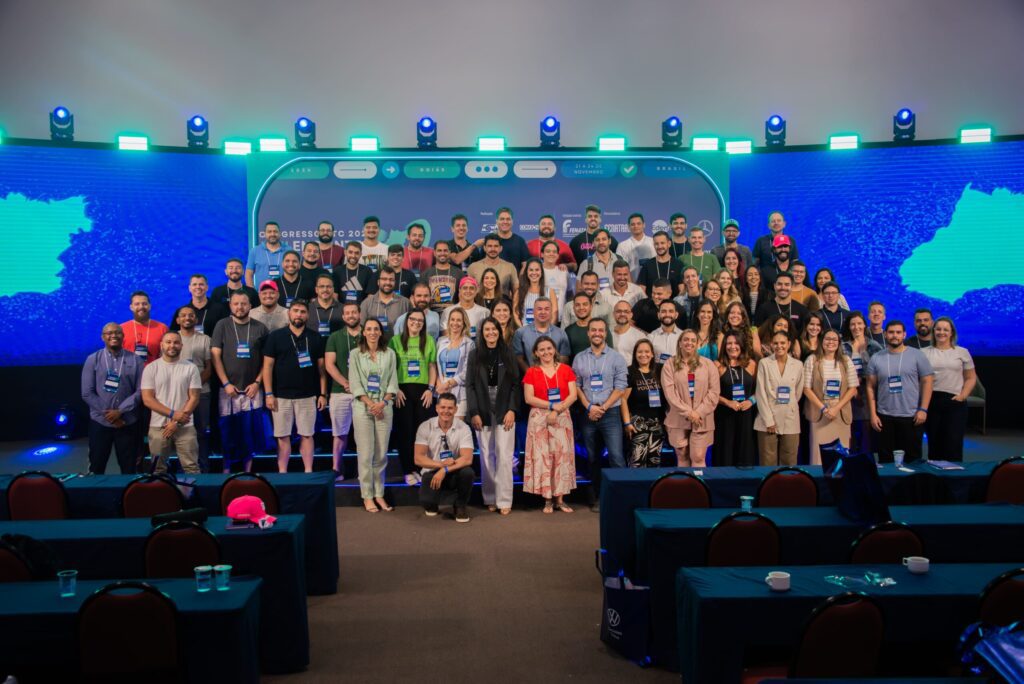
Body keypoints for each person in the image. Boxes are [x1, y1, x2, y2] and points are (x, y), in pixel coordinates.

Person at [262, 299, 327, 473]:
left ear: (308, 315)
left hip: (307, 395)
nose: (299, 314)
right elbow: (267, 367)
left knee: (307, 434)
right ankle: (282, 472)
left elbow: (321, 369)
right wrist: (269, 394)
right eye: (296, 311)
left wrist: (322, 394)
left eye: (302, 312)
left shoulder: (315, 337)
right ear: (289, 313)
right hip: (280, 396)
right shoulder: (275, 337)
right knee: (283, 436)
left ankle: (308, 470)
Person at [467, 317, 521, 515]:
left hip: (504, 411)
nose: (491, 333)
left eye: (494, 329)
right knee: (486, 457)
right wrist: (474, 412)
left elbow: (516, 384)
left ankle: (504, 499)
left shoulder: (508, 353)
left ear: (499, 331)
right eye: (487, 329)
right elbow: (470, 385)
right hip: (482, 412)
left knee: (505, 457)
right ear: (482, 333)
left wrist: (512, 410)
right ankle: (490, 497)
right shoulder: (474, 355)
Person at [573, 318, 628, 511]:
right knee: (592, 457)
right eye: (593, 330)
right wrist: (589, 407)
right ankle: (596, 496)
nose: (597, 333)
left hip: (610, 413)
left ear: (606, 333)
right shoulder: (579, 358)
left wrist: (603, 407)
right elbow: (576, 386)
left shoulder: (616, 358)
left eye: (601, 330)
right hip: (588, 414)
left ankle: (622, 497)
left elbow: (620, 387)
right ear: (588, 333)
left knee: (616, 456)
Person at [211, 291, 269, 474]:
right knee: (228, 431)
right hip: (228, 390)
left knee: (249, 432)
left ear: (250, 305)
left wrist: (258, 382)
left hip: (252, 389)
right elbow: (215, 356)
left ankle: (248, 471)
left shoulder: (260, 328)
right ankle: (226, 470)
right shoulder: (222, 325)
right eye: (236, 303)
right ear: (230, 306)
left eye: (243, 303)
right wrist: (226, 383)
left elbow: (267, 360)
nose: (240, 307)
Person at [522, 336, 578, 514]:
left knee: (561, 457)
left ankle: (560, 499)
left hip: (562, 416)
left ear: (554, 350)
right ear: (536, 353)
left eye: (549, 348)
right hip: (539, 418)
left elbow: (573, 395)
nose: (546, 352)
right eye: (542, 349)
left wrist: (557, 410)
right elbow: (528, 398)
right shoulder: (531, 372)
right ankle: (547, 499)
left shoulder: (566, 370)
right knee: (543, 457)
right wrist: (551, 406)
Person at [865, 320, 934, 464]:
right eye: (891, 332)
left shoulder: (917, 355)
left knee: (912, 459)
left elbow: (928, 382)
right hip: (884, 417)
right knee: (886, 459)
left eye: (898, 332)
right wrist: (872, 414)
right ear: (885, 334)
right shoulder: (876, 358)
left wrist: (923, 409)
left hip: (912, 416)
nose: (894, 336)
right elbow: (870, 387)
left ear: (904, 335)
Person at [348, 317, 398, 512]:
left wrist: (382, 403)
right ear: (363, 332)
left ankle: (379, 494)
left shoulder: (390, 354)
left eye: (376, 329)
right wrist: (371, 404)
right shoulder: (355, 355)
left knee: (381, 455)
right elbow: (355, 384)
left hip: (384, 407)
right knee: (366, 454)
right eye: (368, 329)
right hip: (363, 408)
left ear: (380, 332)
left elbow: (393, 382)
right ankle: (367, 496)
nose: (372, 332)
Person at [81, 322, 143, 474]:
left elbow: (141, 390)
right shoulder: (92, 359)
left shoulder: (136, 360)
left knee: (129, 468)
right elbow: (87, 393)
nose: (113, 335)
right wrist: (111, 416)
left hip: (127, 422)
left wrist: (120, 411)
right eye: (109, 333)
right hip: (100, 422)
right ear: (103, 337)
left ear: (123, 336)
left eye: (117, 332)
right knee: (96, 466)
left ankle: (129, 497)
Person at [141, 331, 202, 474]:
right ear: (161, 345)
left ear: (181, 345)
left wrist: (177, 422)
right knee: (158, 469)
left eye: (176, 342)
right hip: (158, 427)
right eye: (168, 342)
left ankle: (194, 496)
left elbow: (194, 397)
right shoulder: (151, 368)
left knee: (192, 468)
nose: (172, 345)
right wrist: (174, 415)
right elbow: (148, 399)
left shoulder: (190, 367)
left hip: (185, 426)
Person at [389, 309, 438, 485]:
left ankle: (420, 467)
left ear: (423, 324)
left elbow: (432, 366)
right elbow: (390, 368)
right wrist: (395, 389)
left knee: (422, 432)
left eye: (420, 320)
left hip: (423, 391)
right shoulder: (395, 341)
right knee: (405, 432)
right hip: (402, 391)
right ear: (406, 321)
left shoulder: (429, 341)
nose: (416, 323)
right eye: (413, 319)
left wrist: (430, 389)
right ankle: (408, 470)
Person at [662, 329, 720, 467]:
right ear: (680, 343)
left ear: (697, 344)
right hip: (677, 417)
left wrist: (698, 413)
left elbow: (714, 392)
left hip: (702, 418)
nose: (689, 343)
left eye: (693, 340)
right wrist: (689, 413)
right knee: (682, 455)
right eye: (686, 340)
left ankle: (698, 487)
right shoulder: (669, 364)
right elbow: (670, 394)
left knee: (698, 457)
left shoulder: (708, 364)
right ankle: (684, 487)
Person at [415, 393, 476, 522]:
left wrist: (445, 470)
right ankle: (432, 503)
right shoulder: (425, 426)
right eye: (443, 407)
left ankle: (460, 506)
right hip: (432, 471)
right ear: (437, 408)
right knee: (428, 505)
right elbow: (418, 458)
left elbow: (467, 459)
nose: (446, 411)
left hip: (454, 470)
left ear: (456, 409)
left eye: (450, 408)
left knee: (468, 472)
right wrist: (440, 466)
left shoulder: (464, 428)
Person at [923, 317, 976, 461]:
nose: (941, 332)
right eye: (938, 329)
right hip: (931, 401)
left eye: (945, 329)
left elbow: (971, 378)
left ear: (952, 332)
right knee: (934, 443)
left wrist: (963, 395)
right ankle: (935, 480)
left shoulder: (962, 352)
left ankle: (954, 479)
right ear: (933, 331)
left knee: (953, 442)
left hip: (955, 402)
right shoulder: (923, 352)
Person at [803, 329, 859, 465]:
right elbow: (806, 388)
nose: (831, 342)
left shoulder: (846, 361)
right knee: (818, 457)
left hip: (840, 412)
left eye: (834, 339)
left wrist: (836, 408)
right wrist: (824, 408)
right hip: (819, 412)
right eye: (827, 339)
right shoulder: (812, 359)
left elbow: (853, 388)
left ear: (839, 343)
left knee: (841, 455)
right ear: (822, 341)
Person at [754, 330, 805, 466]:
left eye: (782, 343)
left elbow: (797, 392)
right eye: (775, 343)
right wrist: (768, 420)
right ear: (771, 345)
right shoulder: (764, 363)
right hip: (767, 420)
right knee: (767, 462)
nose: (779, 346)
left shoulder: (798, 365)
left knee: (789, 460)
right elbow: (760, 392)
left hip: (790, 418)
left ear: (789, 344)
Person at [324, 302, 362, 479]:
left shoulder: (368, 334)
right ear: (343, 316)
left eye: (354, 312)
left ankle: (365, 470)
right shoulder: (335, 337)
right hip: (340, 391)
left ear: (359, 314)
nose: (351, 315)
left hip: (365, 393)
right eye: (347, 313)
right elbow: (329, 364)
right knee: (339, 434)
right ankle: (336, 468)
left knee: (365, 435)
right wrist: (346, 383)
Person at [175, 304, 213, 471]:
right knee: (180, 431)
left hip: (202, 393)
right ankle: (185, 467)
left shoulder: (204, 339)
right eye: (183, 315)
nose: (187, 318)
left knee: (201, 432)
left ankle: (203, 467)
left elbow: (209, 368)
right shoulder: (172, 339)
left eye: (191, 315)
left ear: (196, 319)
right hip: (177, 395)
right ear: (178, 320)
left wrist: (194, 388)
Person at [713, 331, 758, 467]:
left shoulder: (751, 364)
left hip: (746, 415)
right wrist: (728, 402)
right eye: (729, 343)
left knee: (744, 453)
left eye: (736, 343)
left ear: (742, 345)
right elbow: (711, 393)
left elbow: (760, 390)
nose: (733, 346)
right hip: (724, 416)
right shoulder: (717, 365)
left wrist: (751, 401)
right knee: (725, 454)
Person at [842, 311, 883, 455]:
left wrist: (862, 379)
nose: (856, 327)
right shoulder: (843, 347)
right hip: (847, 396)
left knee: (867, 437)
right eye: (853, 324)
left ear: (865, 325)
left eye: (859, 323)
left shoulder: (874, 346)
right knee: (851, 435)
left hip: (868, 395)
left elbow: (880, 370)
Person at [620, 339, 666, 467]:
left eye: (647, 351)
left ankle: (653, 487)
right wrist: (627, 422)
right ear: (635, 354)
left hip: (657, 423)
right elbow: (623, 399)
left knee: (654, 460)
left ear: (652, 354)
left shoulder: (660, 370)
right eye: (640, 352)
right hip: (636, 424)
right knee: (637, 460)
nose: (643, 355)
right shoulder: (630, 371)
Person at [436, 307, 475, 418]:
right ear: (448, 322)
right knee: (443, 428)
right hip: (442, 391)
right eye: (452, 319)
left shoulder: (469, 344)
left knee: (456, 429)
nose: (455, 323)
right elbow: (435, 365)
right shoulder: (440, 341)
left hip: (460, 393)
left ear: (464, 323)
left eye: (459, 320)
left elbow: (467, 371)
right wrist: (439, 385)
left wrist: (448, 384)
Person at [359, 266, 411, 336]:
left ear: (395, 282)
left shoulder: (406, 303)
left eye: (391, 279)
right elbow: (361, 329)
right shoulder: (366, 304)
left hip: (397, 346)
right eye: (384, 279)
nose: (388, 282)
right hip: (374, 346)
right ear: (378, 282)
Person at [122, 291, 168, 364]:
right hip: (128, 374)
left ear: (149, 306)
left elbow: (168, 355)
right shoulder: (122, 329)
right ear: (131, 307)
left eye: (144, 304)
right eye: (137, 304)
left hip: (154, 373)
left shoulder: (162, 329)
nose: (141, 307)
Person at [420, 240, 466, 314]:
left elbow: (463, 297)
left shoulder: (459, 273)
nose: (442, 253)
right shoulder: (425, 274)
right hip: (431, 315)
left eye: (445, 250)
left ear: (449, 252)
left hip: (453, 317)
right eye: (439, 250)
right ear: (434, 253)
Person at [514, 258, 554, 327]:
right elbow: (515, 314)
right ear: (527, 272)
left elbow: (554, 314)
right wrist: (523, 330)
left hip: (545, 333)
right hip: (525, 332)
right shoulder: (519, 292)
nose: (534, 273)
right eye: (531, 270)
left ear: (541, 272)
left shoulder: (550, 291)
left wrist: (546, 331)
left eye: (537, 270)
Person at [246, 220, 287, 287]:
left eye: (275, 231)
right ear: (264, 234)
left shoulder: (288, 250)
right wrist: (252, 292)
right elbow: (248, 273)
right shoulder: (255, 251)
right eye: (269, 232)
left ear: (279, 233)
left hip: (284, 293)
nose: (272, 234)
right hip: (262, 295)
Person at [331, 241, 373, 305]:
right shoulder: (337, 271)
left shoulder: (367, 271)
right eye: (350, 252)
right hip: (342, 311)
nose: (353, 256)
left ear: (360, 254)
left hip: (362, 311)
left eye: (356, 253)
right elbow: (334, 296)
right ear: (345, 252)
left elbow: (370, 296)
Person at [615, 212, 655, 280]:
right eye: (633, 224)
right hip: (630, 284)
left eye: (638, 223)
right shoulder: (622, 246)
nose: (636, 226)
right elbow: (619, 269)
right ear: (628, 226)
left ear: (644, 225)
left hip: (653, 283)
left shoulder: (653, 242)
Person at [492, 206, 531, 271]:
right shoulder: (489, 241)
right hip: (493, 281)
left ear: (512, 221)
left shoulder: (520, 241)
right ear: (497, 221)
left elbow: (525, 265)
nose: (505, 222)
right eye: (502, 219)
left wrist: (519, 280)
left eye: (508, 219)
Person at [565, 292, 601, 360]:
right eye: (577, 305)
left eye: (585, 304)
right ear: (573, 308)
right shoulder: (568, 331)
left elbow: (609, 355)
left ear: (591, 306)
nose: (581, 307)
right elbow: (566, 359)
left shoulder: (601, 328)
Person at [540, 241, 570, 318]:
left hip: (562, 318)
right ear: (542, 254)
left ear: (557, 255)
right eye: (548, 251)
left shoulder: (564, 271)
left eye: (554, 252)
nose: (551, 254)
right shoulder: (537, 271)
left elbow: (569, 294)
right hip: (543, 318)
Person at [650, 300, 683, 364]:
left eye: (671, 311)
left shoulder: (683, 336)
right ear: (658, 315)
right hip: (657, 373)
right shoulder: (651, 337)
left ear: (676, 315)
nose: (667, 314)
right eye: (663, 311)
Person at [311, 274, 343, 338]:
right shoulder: (307, 309)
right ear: (316, 289)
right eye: (322, 286)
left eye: (328, 286)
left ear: (333, 289)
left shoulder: (343, 309)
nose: (325, 289)